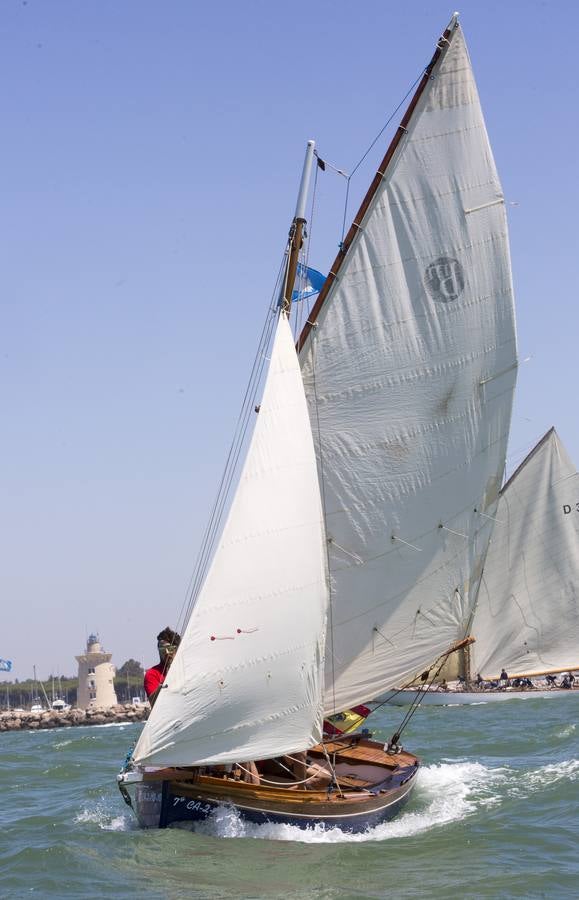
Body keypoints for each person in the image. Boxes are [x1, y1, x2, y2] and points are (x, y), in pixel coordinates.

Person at [144, 626, 181, 707]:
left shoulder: (186, 668)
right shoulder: (151, 674)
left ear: (178, 649)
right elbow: (154, 703)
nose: (167, 652)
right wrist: (165, 682)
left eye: (170, 648)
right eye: (163, 650)